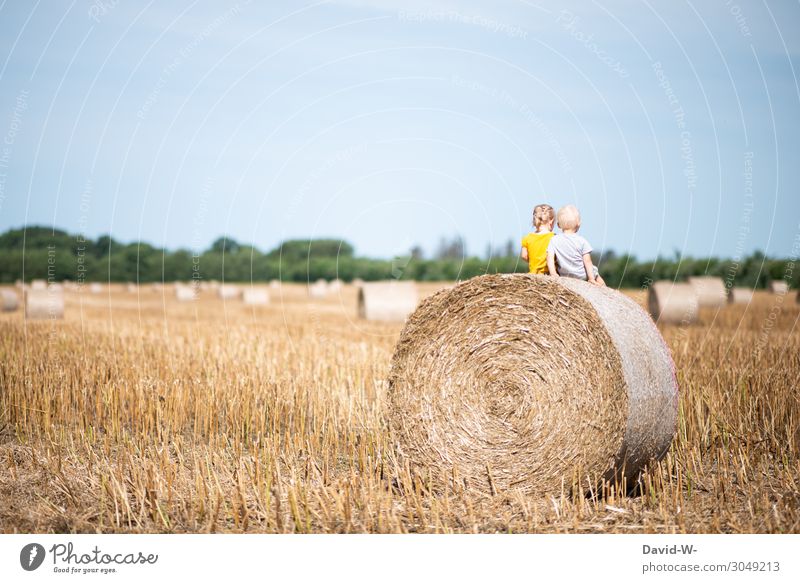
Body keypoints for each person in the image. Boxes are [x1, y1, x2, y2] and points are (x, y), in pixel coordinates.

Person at [546, 204, 606, 286]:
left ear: (558, 225)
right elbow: (587, 261)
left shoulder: (554, 240)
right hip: (581, 276)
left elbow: (549, 258)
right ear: (578, 224)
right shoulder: (582, 241)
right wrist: (591, 278)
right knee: (594, 269)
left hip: (564, 276)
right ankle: (607, 292)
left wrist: (553, 273)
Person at [520, 204, 555, 274]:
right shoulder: (554, 237)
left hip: (533, 275)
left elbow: (524, 256)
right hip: (548, 274)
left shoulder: (527, 238)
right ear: (551, 221)